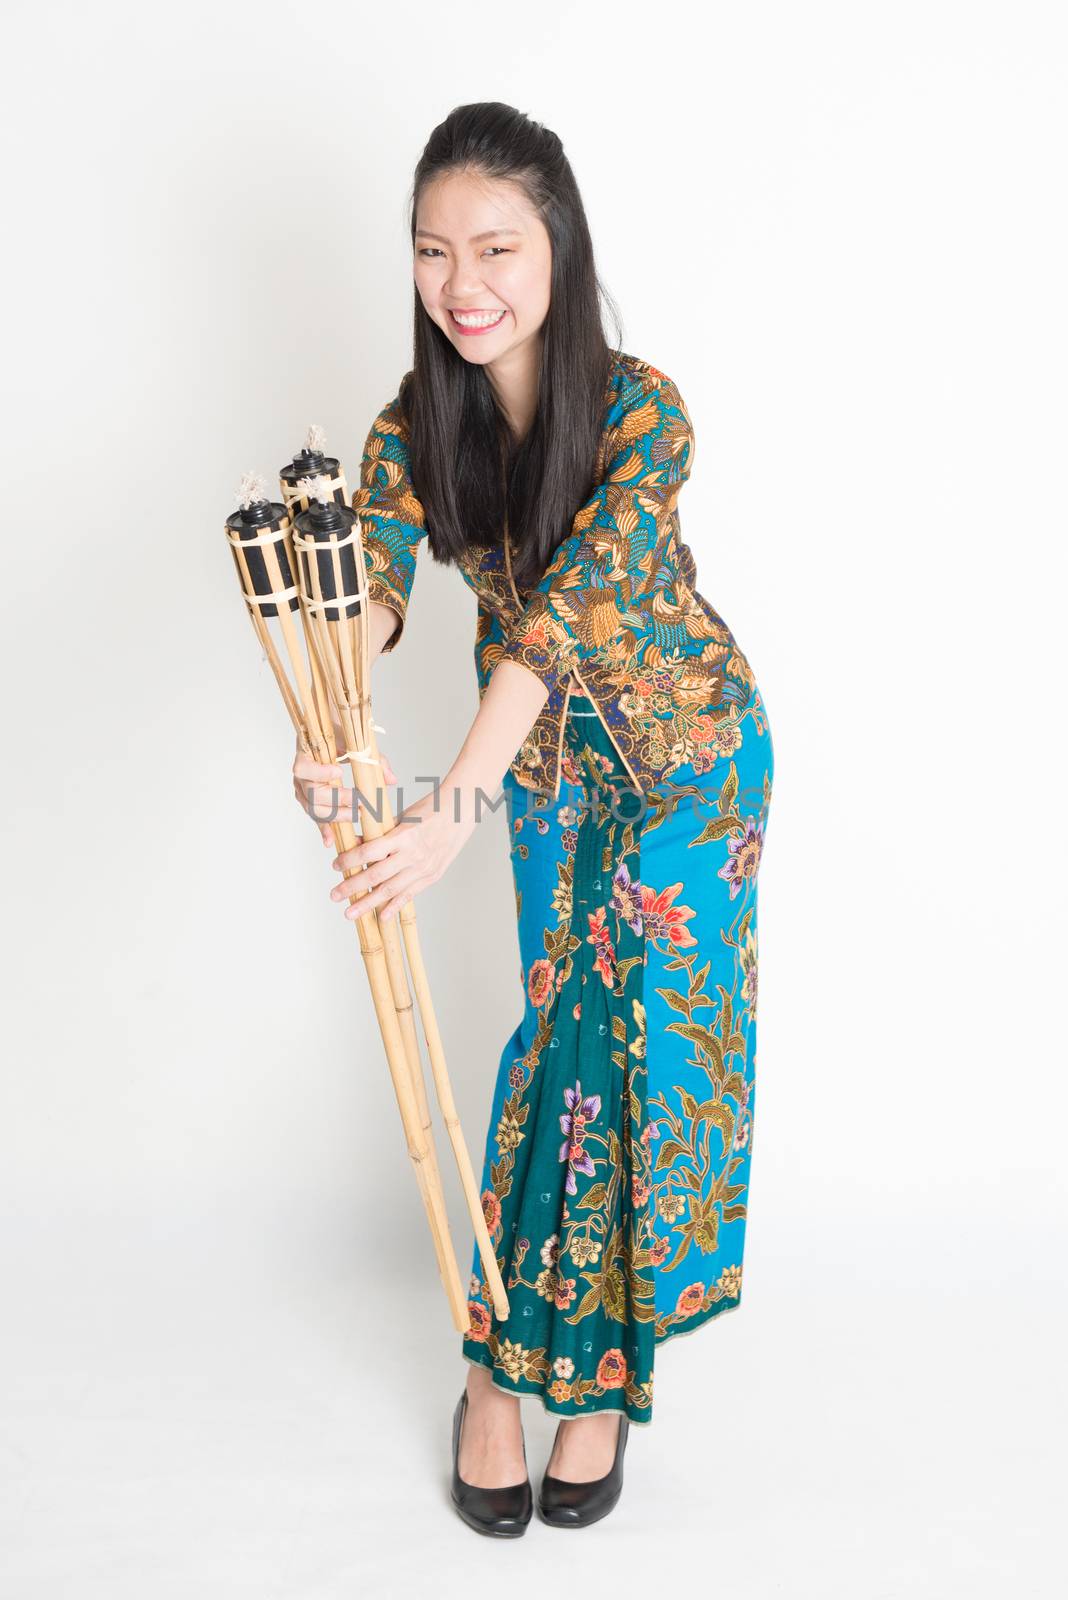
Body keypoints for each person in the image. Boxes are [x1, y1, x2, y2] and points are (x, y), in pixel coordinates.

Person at [293, 101, 774, 1535]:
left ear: (557, 244)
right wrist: (335, 724)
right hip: (552, 780)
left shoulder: (644, 410)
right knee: (557, 1054)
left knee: (650, 1073)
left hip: (691, 765)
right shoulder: (411, 427)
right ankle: (497, 1375)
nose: (465, 282)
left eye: (496, 244)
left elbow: (560, 625)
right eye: (435, 251)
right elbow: (365, 586)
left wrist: (453, 798)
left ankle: (606, 1387)